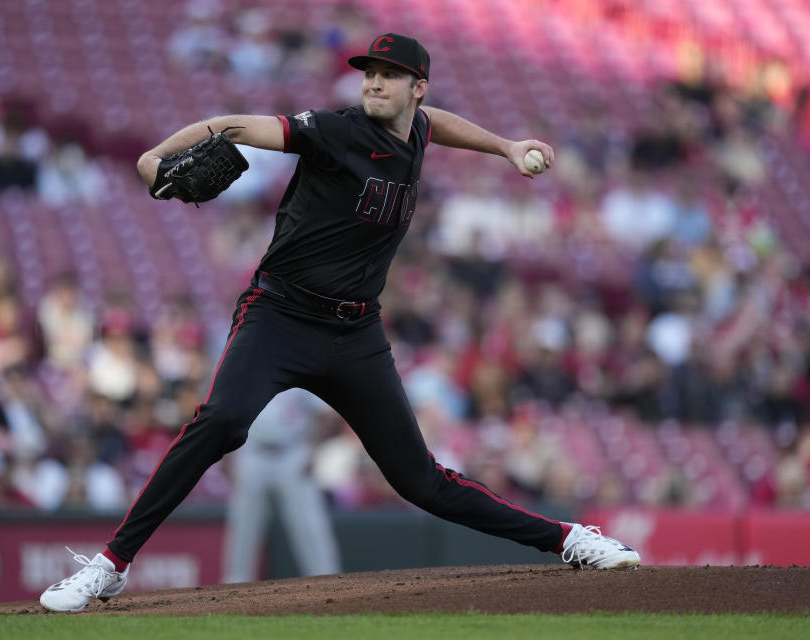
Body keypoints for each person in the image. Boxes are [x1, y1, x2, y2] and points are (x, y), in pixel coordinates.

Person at [40, 32, 640, 613]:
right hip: (279, 313)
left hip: (355, 333)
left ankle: (568, 540)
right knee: (221, 420)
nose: (374, 83)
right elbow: (232, 126)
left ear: (417, 88)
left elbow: (438, 125)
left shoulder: (418, 130)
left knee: (420, 482)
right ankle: (111, 566)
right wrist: (154, 156)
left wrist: (507, 146)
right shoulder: (333, 131)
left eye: (389, 76)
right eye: (370, 73)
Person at [222, 388, 340, 583]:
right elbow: (227, 410)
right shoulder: (247, 364)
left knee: (309, 527)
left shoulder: (302, 364)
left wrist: (313, 448)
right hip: (251, 451)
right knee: (243, 528)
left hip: (293, 452)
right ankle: (233, 585)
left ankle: (327, 582)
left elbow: (326, 414)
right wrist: (226, 453)